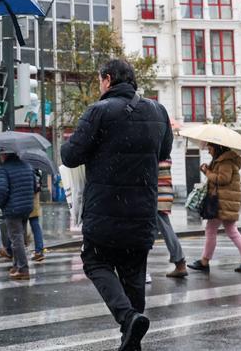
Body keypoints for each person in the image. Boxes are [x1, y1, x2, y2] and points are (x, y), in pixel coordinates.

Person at [61, 58, 172, 351]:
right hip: (142, 214)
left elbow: (70, 156)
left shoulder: (98, 111)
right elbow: (164, 151)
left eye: (100, 80)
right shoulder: (158, 111)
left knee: (95, 261)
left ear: (107, 79)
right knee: (134, 276)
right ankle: (131, 337)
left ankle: (128, 318)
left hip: (105, 213)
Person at [187, 143, 241, 274]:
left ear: (217, 148)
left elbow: (223, 179)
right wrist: (209, 169)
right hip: (225, 202)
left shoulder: (225, 162)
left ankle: (204, 261)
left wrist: (207, 172)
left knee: (212, 230)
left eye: (210, 149)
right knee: (231, 231)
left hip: (222, 202)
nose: (208, 152)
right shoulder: (223, 161)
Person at [0, 153, 36, 280]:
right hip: (26, 207)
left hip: (13, 208)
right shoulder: (27, 166)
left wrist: (0, 204)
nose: (0, 155)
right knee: (19, 237)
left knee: (16, 239)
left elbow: (2, 190)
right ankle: (16, 266)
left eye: (1, 153)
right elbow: (34, 186)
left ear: (5, 154)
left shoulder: (4, 168)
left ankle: (23, 268)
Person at [155, 160, 187, 278]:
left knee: (164, 230)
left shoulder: (158, 157)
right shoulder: (165, 156)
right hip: (164, 195)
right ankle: (180, 263)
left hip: (158, 197)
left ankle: (180, 262)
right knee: (156, 231)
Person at [29, 172, 46, 262]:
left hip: (26, 199)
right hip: (34, 199)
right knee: (35, 225)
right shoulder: (36, 172)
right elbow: (38, 186)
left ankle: (12, 251)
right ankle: (39, 250)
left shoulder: (28, 169)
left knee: (18, 226)